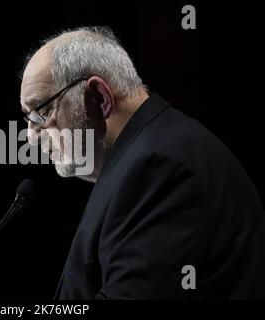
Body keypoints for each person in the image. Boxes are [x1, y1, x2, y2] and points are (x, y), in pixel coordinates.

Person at [19, 27, 265, 299]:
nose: (31, 135)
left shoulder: (159, 166)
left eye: (42, 110)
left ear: (99, 98)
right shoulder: (148, 156)